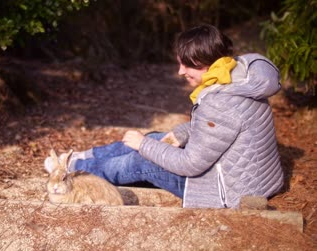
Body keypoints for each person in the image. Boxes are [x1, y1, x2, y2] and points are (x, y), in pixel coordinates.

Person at [46, 24, 284, 208]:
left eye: (186, 66)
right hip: (246, 178)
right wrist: (177, 134)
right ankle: (78, 159)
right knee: (156, 137)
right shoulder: (237, 76)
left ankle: (74, 175)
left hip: (226, 190)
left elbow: (190, 164)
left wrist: (144, 146)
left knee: (140, 160)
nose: (180, 72)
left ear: (203, 63)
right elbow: (219, 129)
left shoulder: (220, 101)